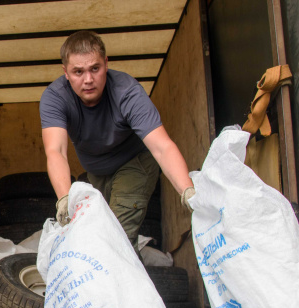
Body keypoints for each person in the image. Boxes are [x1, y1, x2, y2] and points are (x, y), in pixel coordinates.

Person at [40, 30, 195, 248]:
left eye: (95, 68)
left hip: (135, 164)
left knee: (117, 239)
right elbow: (56, 151)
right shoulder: (55, 97)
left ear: (106, 63)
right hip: (97, 174)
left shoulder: (126, 91)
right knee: (107, 239)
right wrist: (65, 198)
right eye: (78, 72)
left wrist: (187, 190)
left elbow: (161, 146)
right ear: (65, 72)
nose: (88, 80)